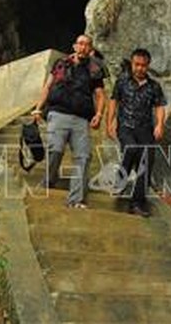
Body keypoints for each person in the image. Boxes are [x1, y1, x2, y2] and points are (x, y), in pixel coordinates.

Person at [31, 34, 106, 209]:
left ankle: (76, 200)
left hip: (81, 118)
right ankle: (50, 178)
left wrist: (99, 114)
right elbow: (47, 87)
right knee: (55, 149)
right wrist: (38, 108)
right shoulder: (61, 64)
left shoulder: (94, 69)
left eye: (87, 45)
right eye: (80, 44)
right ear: (74, 46)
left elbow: (101, 95)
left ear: (91, 49)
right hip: (58, 113)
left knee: (84, 156)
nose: (83, 47)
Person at [106, 47, 166, 217]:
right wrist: (109, 122)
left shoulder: (154, 86)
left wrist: (160, 124)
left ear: (148, 66)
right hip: (125, 126)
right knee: (131, 148)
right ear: (132, 64)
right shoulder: (122, 82)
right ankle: (120, 181)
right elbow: (113, 101)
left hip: (145, 128)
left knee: (146, 161)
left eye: (143, 65)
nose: (140, 68)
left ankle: (137, 203)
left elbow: (160, 106)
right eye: (137, 64)